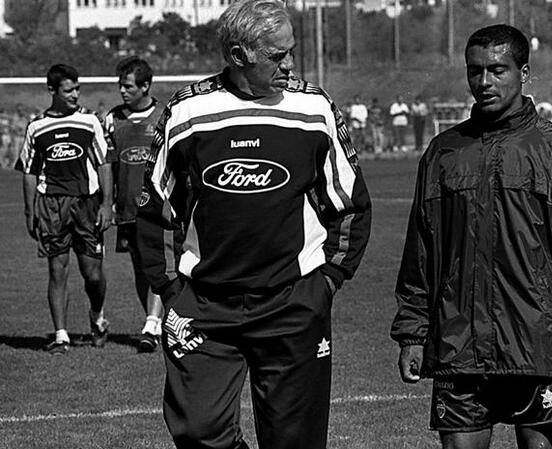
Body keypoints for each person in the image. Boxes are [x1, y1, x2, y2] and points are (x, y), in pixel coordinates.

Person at [136, 1, 372, 448]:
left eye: (291, 53)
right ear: (239, 54)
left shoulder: (314, 108)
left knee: (294, 441)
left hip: (292, 303)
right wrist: (171, 289)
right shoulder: (188, 112)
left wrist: (326, 281)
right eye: (277, 56)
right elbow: (156, 207)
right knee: (198, 430)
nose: (289, 65)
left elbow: (350, 203)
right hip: (206, 304)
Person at [391, 24, 552, 449]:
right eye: (475, 71)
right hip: (458, 344)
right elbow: (421, 250)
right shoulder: (443, 152)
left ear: (523, 72)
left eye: (497, 70)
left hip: (537, 341)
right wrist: (412, 332)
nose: (484, 82)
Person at [16, 64, 112, 354]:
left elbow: (104, 163)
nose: (75, 94)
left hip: (86, 202)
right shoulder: (37, 126)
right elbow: (30, 171)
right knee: (57, 270)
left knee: (92, 273)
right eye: (68, 90)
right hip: (51, 204)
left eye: (77, 89)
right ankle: (61, 335)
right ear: (52, 91)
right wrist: (30, 211)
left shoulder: (89, 121)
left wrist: (107, 204)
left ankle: (97, 316)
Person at [104, 56, 164, 353]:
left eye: (128, 86)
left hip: (158, 208)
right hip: (127, 208)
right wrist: (108, 203)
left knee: (160, 266)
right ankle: (152, 322)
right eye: (120, 86)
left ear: (146, 86)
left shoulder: (165, 116)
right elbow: (109, 165)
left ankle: (152, 324)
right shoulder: (113, 119)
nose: (123, 91)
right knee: (140, 268)